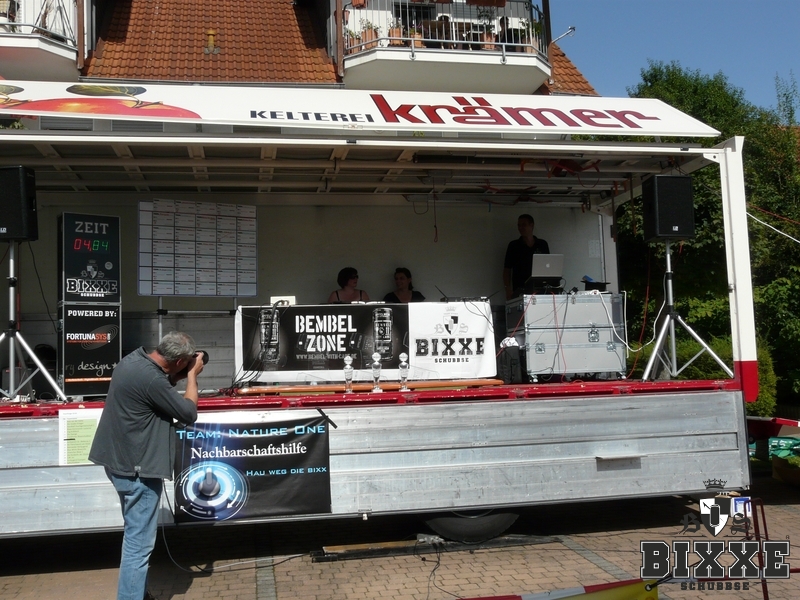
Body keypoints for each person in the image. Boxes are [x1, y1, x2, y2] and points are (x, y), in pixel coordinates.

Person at [89, 331, 205, 600]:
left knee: (134, 535)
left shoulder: (132, 360)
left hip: (119, 462)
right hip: (137, 471)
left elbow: (155, 391)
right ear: (179, 361)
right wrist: (191, 376)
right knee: (138, 546)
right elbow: (188, 413)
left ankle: (137, 593)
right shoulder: (153, 379)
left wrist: (177, 374)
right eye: (186, 362)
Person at [503, 213, 550, 299]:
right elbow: (507, 269)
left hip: (540, 289)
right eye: (519, 225)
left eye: (524, 225)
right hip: (519, 289)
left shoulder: (542, 244)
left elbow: (548, 267)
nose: (520, 228)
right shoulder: (513, 245)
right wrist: (507, 289)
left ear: (532, 225)